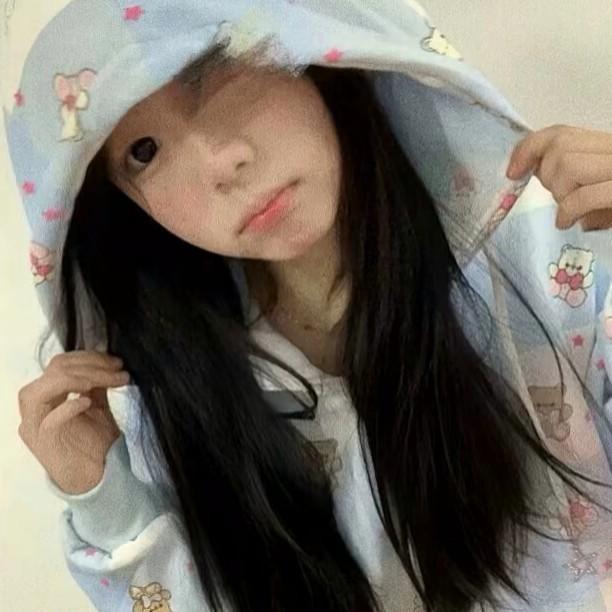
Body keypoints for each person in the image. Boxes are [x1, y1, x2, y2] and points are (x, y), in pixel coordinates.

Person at [7, 1, 612, 611]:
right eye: (143, 151)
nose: (221, 164)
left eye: (218, 72)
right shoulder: (179, 391)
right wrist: (104, 502)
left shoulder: (553, 254)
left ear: (316, 46)